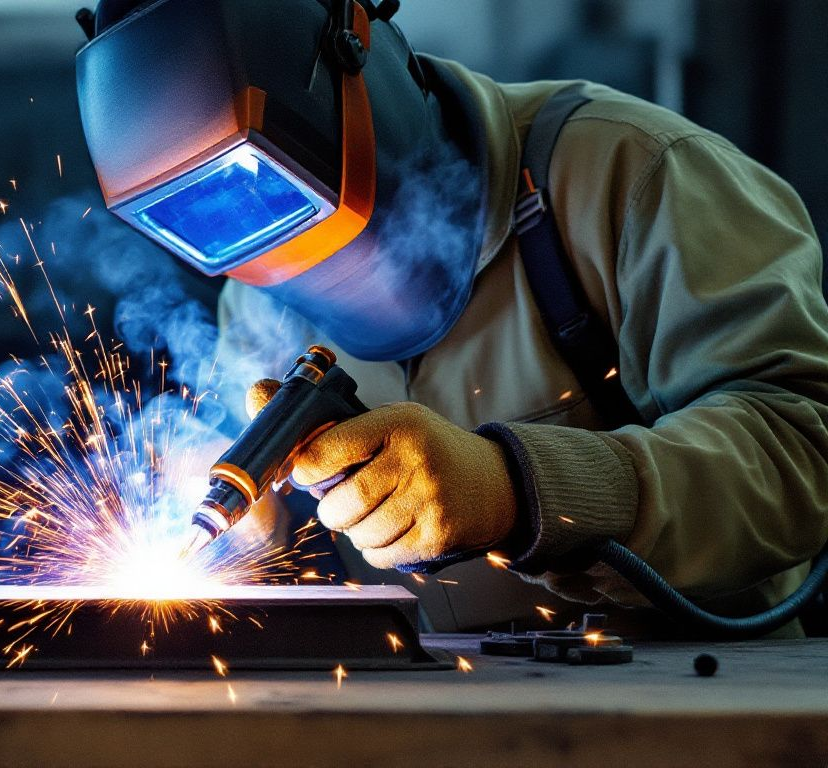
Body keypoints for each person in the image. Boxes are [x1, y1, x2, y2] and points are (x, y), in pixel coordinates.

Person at [74, 0, 828, 633]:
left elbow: (806, 451)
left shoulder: (632, 174)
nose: (274, 245)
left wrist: (519, 489)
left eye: (270, 185)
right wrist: (242, 532)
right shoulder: (259, 300)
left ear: (351, 49)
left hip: (700, 713)